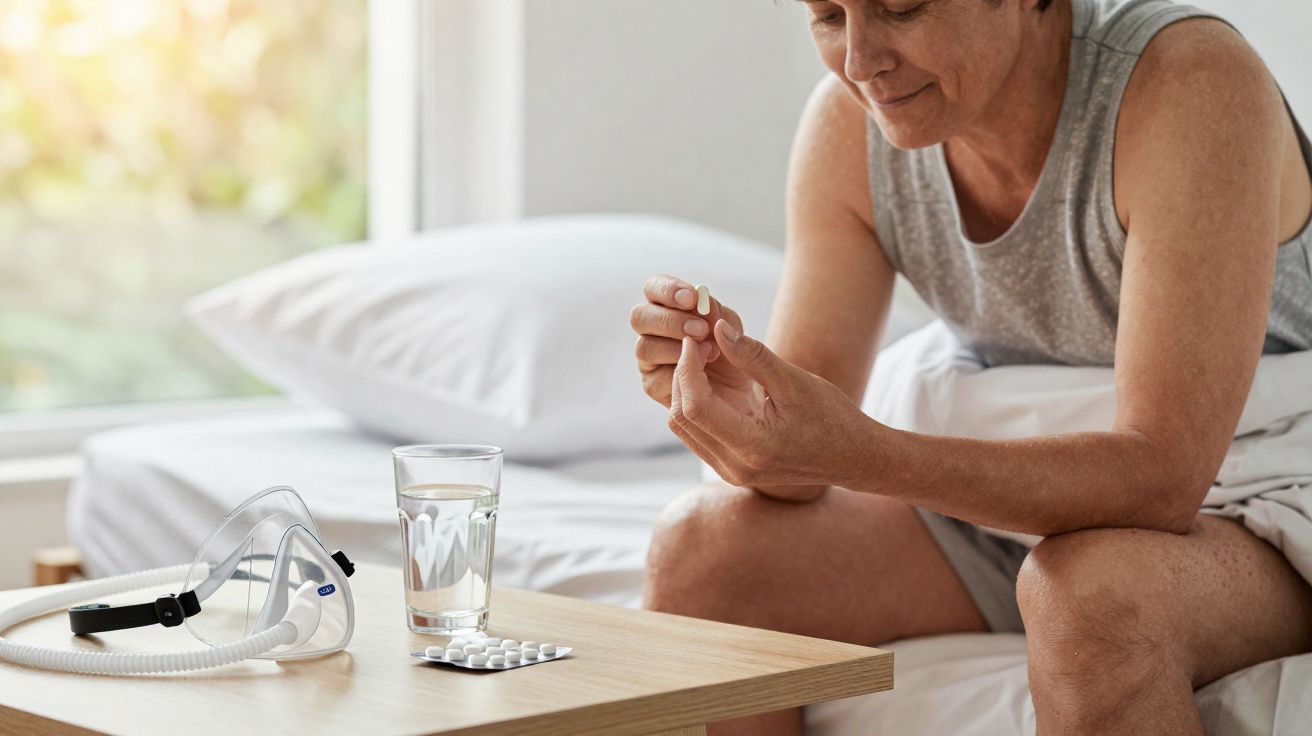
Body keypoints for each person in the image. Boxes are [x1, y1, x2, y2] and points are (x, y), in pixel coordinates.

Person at [628, 0, 1312, 734]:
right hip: (1022, 506)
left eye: (901, 9)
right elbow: (798, 471)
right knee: (701, 554)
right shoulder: (850, 127)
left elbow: (1164, 479)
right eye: (829, 15)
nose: (860, 63)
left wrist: (859, 451)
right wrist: (747, 412)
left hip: (1256, 502)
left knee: (1086, 600)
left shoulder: (1190, 81)